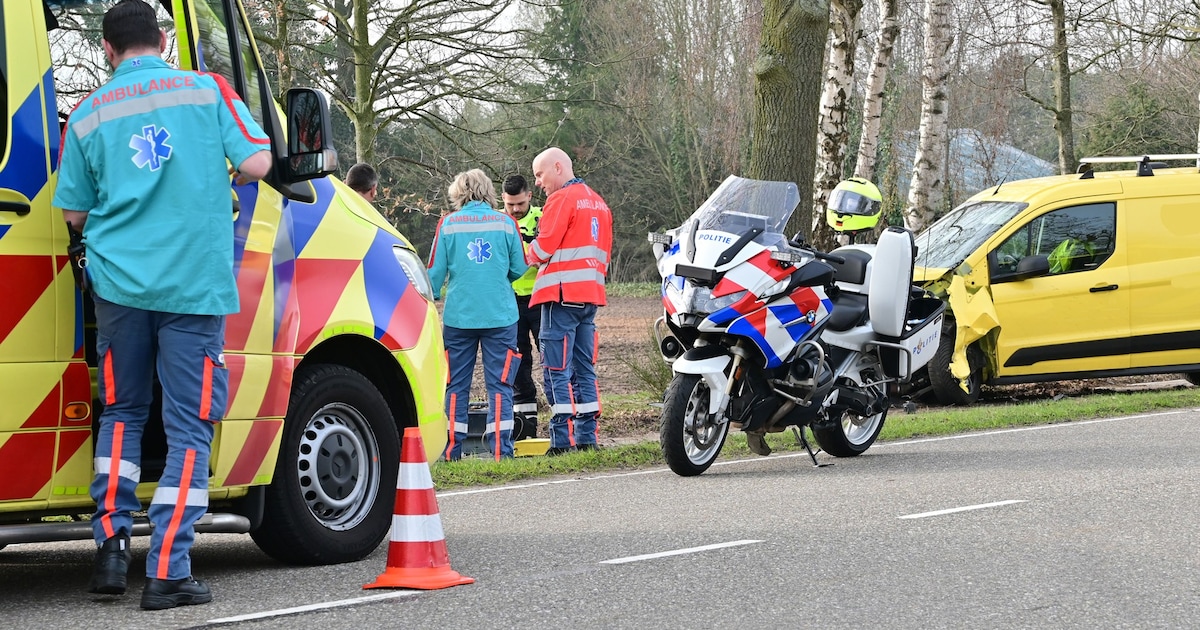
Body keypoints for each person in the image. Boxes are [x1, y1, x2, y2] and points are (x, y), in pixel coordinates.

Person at [52, 0, 272, 611]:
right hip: (192, 286)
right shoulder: (208, 91)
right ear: (162, 40)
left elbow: (73, 211)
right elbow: (259, 161)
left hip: (119, 288)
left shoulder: (90, 113)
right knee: (188, 426)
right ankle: (168, 569)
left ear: (107, 49)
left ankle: (111, 550)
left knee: (121, 413)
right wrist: (221, 180)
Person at [428, 169, 528, 460]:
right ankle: (501, 452)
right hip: (501, 315)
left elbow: (434, 275)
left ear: (457, 192)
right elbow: (520, 267)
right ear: (489, 191)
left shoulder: (447, 225)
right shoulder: (507, 223)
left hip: (459, 317)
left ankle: (449, 453)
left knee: (456, 385)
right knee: (501, 385)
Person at [527, 148, 613, 455]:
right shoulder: (599, 203)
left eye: (540, 174)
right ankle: (588, 438)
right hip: (589, 297)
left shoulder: (562, 199)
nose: (538, 183)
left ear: (558, 168)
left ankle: (561, 442)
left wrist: (522, 252)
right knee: (584, 368)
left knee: (555, 369)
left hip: (560, 296)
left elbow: (543, 247)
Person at [502, 174, 544, 440]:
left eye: (519, 203)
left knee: (552, 360)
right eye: (509, 205)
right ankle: (525, 429)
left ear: (529, 196)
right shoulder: (500, 222)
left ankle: (564, 427)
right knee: (518, 364)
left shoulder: (544, 216)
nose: (515, 210)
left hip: (541, 299)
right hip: (510, 301)